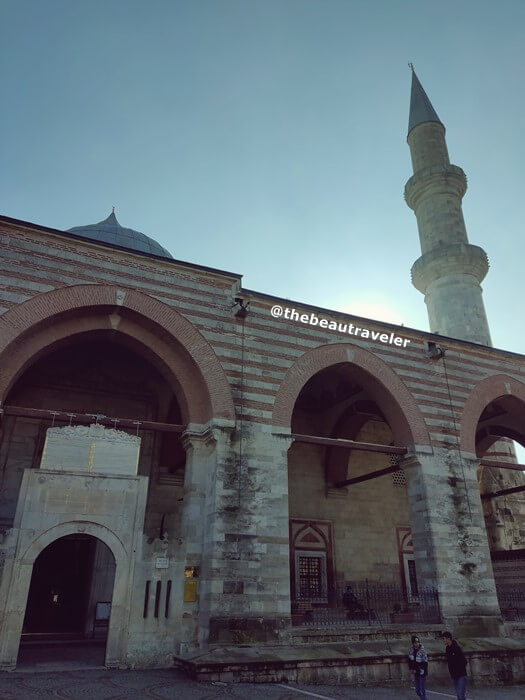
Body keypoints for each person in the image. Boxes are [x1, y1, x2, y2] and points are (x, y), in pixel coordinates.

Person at [442, 631, 468, 700]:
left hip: (461, 675)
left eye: (444, 638)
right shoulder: (447, 649)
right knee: (459, 696)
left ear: (448, 639)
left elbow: (464, 661)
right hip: (454, 676)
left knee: (460, 695)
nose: (443, 640)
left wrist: (458, 670)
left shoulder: (457, 648)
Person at [408, 634, 428, 700]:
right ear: (413, 643)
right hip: (415, 672)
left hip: (422, 672)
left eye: (417, 642)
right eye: (415, 643)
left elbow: (425, 662)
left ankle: (423, 698)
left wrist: (420, 669)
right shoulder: (411, 651)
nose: (416, 644)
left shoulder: (423, 651)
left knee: (422, 689)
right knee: (417, 690)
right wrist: (411, 669)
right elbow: (410, 661)